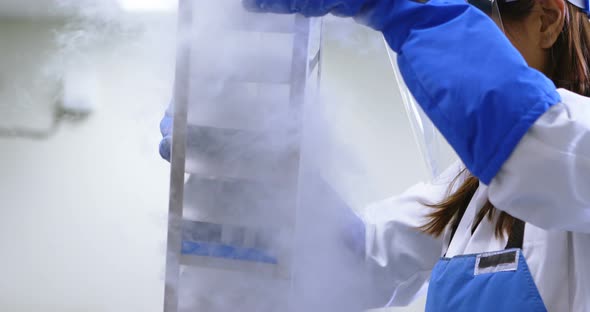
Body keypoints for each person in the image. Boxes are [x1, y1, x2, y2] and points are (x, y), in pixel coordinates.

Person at [161, 0, 590, 310]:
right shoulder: (468, 193)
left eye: (467, 14)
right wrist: (257, 162)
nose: (457, 42)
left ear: (548, 20)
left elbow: (544, 153)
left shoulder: (562, 148)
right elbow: (356, 267)